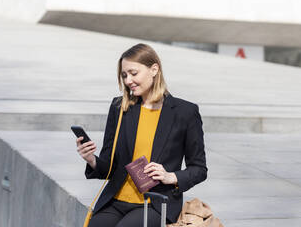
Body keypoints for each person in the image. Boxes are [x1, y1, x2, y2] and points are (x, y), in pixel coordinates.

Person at [76, 43, 207, 227]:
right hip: (115, 199)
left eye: (133, 73)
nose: (128, 80)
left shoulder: (185, 112)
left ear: (154, 69)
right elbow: (109, 167)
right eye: (124, 75)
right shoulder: (120, 108)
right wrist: (91, 160)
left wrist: (171, 176)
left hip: (154, 202)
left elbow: (199, 169)